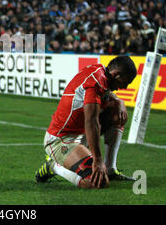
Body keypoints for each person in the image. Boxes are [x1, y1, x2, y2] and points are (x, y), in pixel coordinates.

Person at [35, 55, 137, 189]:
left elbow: (106, 94)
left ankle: (111, 169)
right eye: (125, 82)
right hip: (60, 140)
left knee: (117, 114)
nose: (124, 87)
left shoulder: (100, 72)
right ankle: (54, 166)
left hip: (79, 134)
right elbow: (91, 122)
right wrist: (98, 160)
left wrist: (119, 101)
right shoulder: (95, 82)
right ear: (116, 75)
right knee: (97, 182)